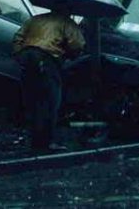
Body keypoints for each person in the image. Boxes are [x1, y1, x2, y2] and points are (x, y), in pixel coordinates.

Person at [12, 8, 85, 152]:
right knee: (51, 102)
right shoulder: (66, 22)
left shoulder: (36, 19)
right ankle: (45, 142)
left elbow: (18, 37)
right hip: (47, 60)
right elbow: (78, 44)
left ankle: (34, 141)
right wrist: (69, 54)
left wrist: (21, 55)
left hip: (28, 58)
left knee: (33, 101)